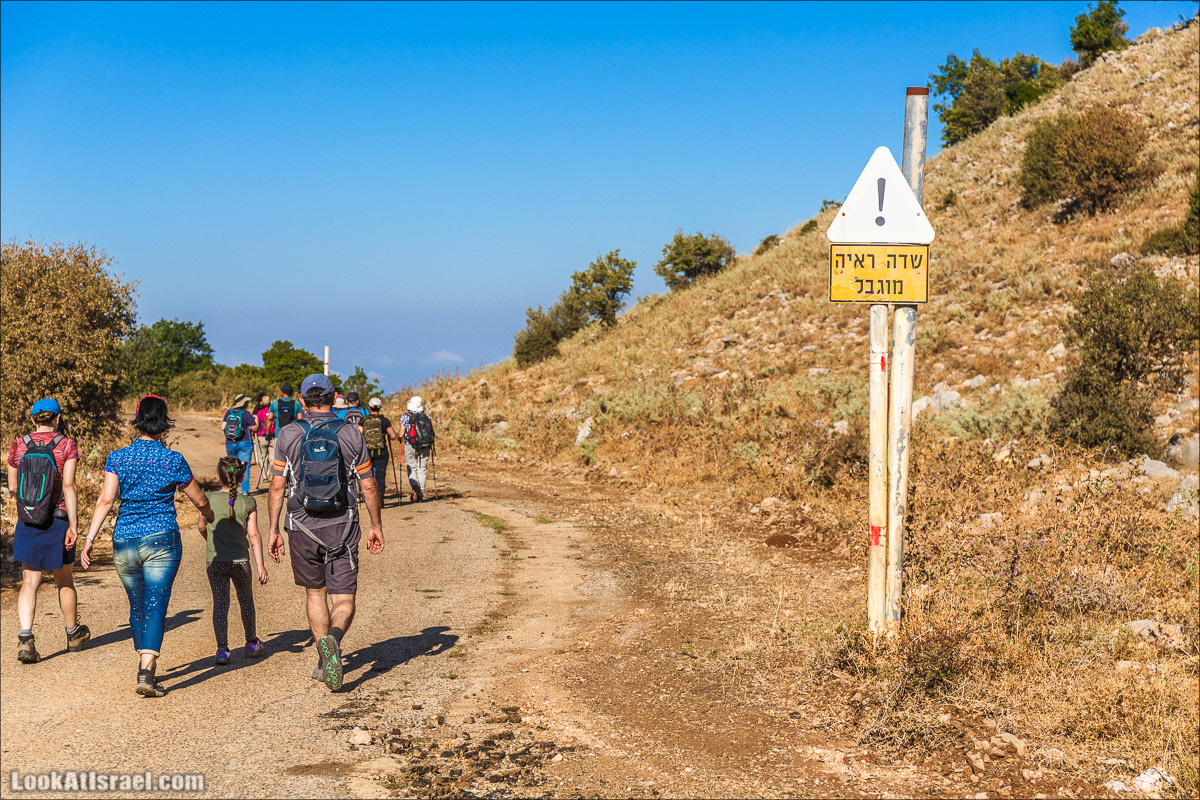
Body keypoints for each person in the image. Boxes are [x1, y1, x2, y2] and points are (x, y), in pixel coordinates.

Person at [82, 394, 215, 697]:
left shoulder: (118, 457)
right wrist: (208, 516)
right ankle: (146, 668)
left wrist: (89, 539)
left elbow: (105, 500)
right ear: (163, 423)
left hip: (125, 540)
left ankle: (144, 656)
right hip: (161, 540)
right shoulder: (172, 460)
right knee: (156, 604)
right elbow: (199, 498)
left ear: (139, 419)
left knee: (137, 603)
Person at [267, 374, 384, 691]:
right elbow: (368, 484)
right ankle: (334, 638)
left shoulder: (288, 434)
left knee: (315, 594)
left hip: (302, 527)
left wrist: (273, 530)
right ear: (336, 400)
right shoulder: (350, 433)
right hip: (342, 527)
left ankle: (324, 659)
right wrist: (376, 525)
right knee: (344, 598)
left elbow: (278, 486)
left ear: (302, 401)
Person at [7, 398, 89, 663]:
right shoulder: (66, 444)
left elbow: (13, 487)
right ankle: (73, 634)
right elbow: (69, 486)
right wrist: (74, 525)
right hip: (58, 519)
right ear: (57, 418)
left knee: (30, 581)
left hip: (28, 519)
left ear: (34, 420)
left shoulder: (19, 444)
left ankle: (26, 639)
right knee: (64, 579)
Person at [202, 457, 268, 665]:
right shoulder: (248, 502)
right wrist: (260, 566)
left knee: (220, 604)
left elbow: (202, 527)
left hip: (215, 561)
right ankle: (251, 642)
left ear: (217, 476)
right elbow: (254, 536)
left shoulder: (208, 499)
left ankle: (222, 650)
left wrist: (212, 542)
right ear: (241, 478)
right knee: (246, 601)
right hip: (240, 561)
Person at [362, 398, 401, 499]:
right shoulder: (384, 421)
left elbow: (358, 433)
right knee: (380, 476)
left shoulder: (364, 420)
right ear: (380, 408)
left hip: (367, 452)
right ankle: (380, 500)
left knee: (368, 476)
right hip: (381, 452)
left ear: (369, 407)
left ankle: (370, 499)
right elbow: (393, 436)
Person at [400, 396, 435, 502]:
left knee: (412, 468)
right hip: (425, 445)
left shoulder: (406, 417)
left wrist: (399, 438)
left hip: (410, 445)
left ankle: (416, 489)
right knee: (422, 469)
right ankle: (422, 493)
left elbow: (401, 434)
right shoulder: (426, 416)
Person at [221, 394, 257, 495]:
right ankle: (244, 491)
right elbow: (254, 428)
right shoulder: (246, 414)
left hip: (230, 443)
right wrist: (256, 420)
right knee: (243, 467)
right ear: (244, 403)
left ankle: (231, 488)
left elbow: (223, 427)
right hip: (245, 443)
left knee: (232, 466)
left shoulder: (229, 412)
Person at [254, 394, 275, 483]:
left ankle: (264, 476)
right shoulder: (274, 412)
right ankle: (272, 475)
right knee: (272, 457)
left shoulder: (259, 413)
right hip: (273, 436)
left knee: (262, 457)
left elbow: (257, 425)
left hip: (261, 436)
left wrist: (255, 434)